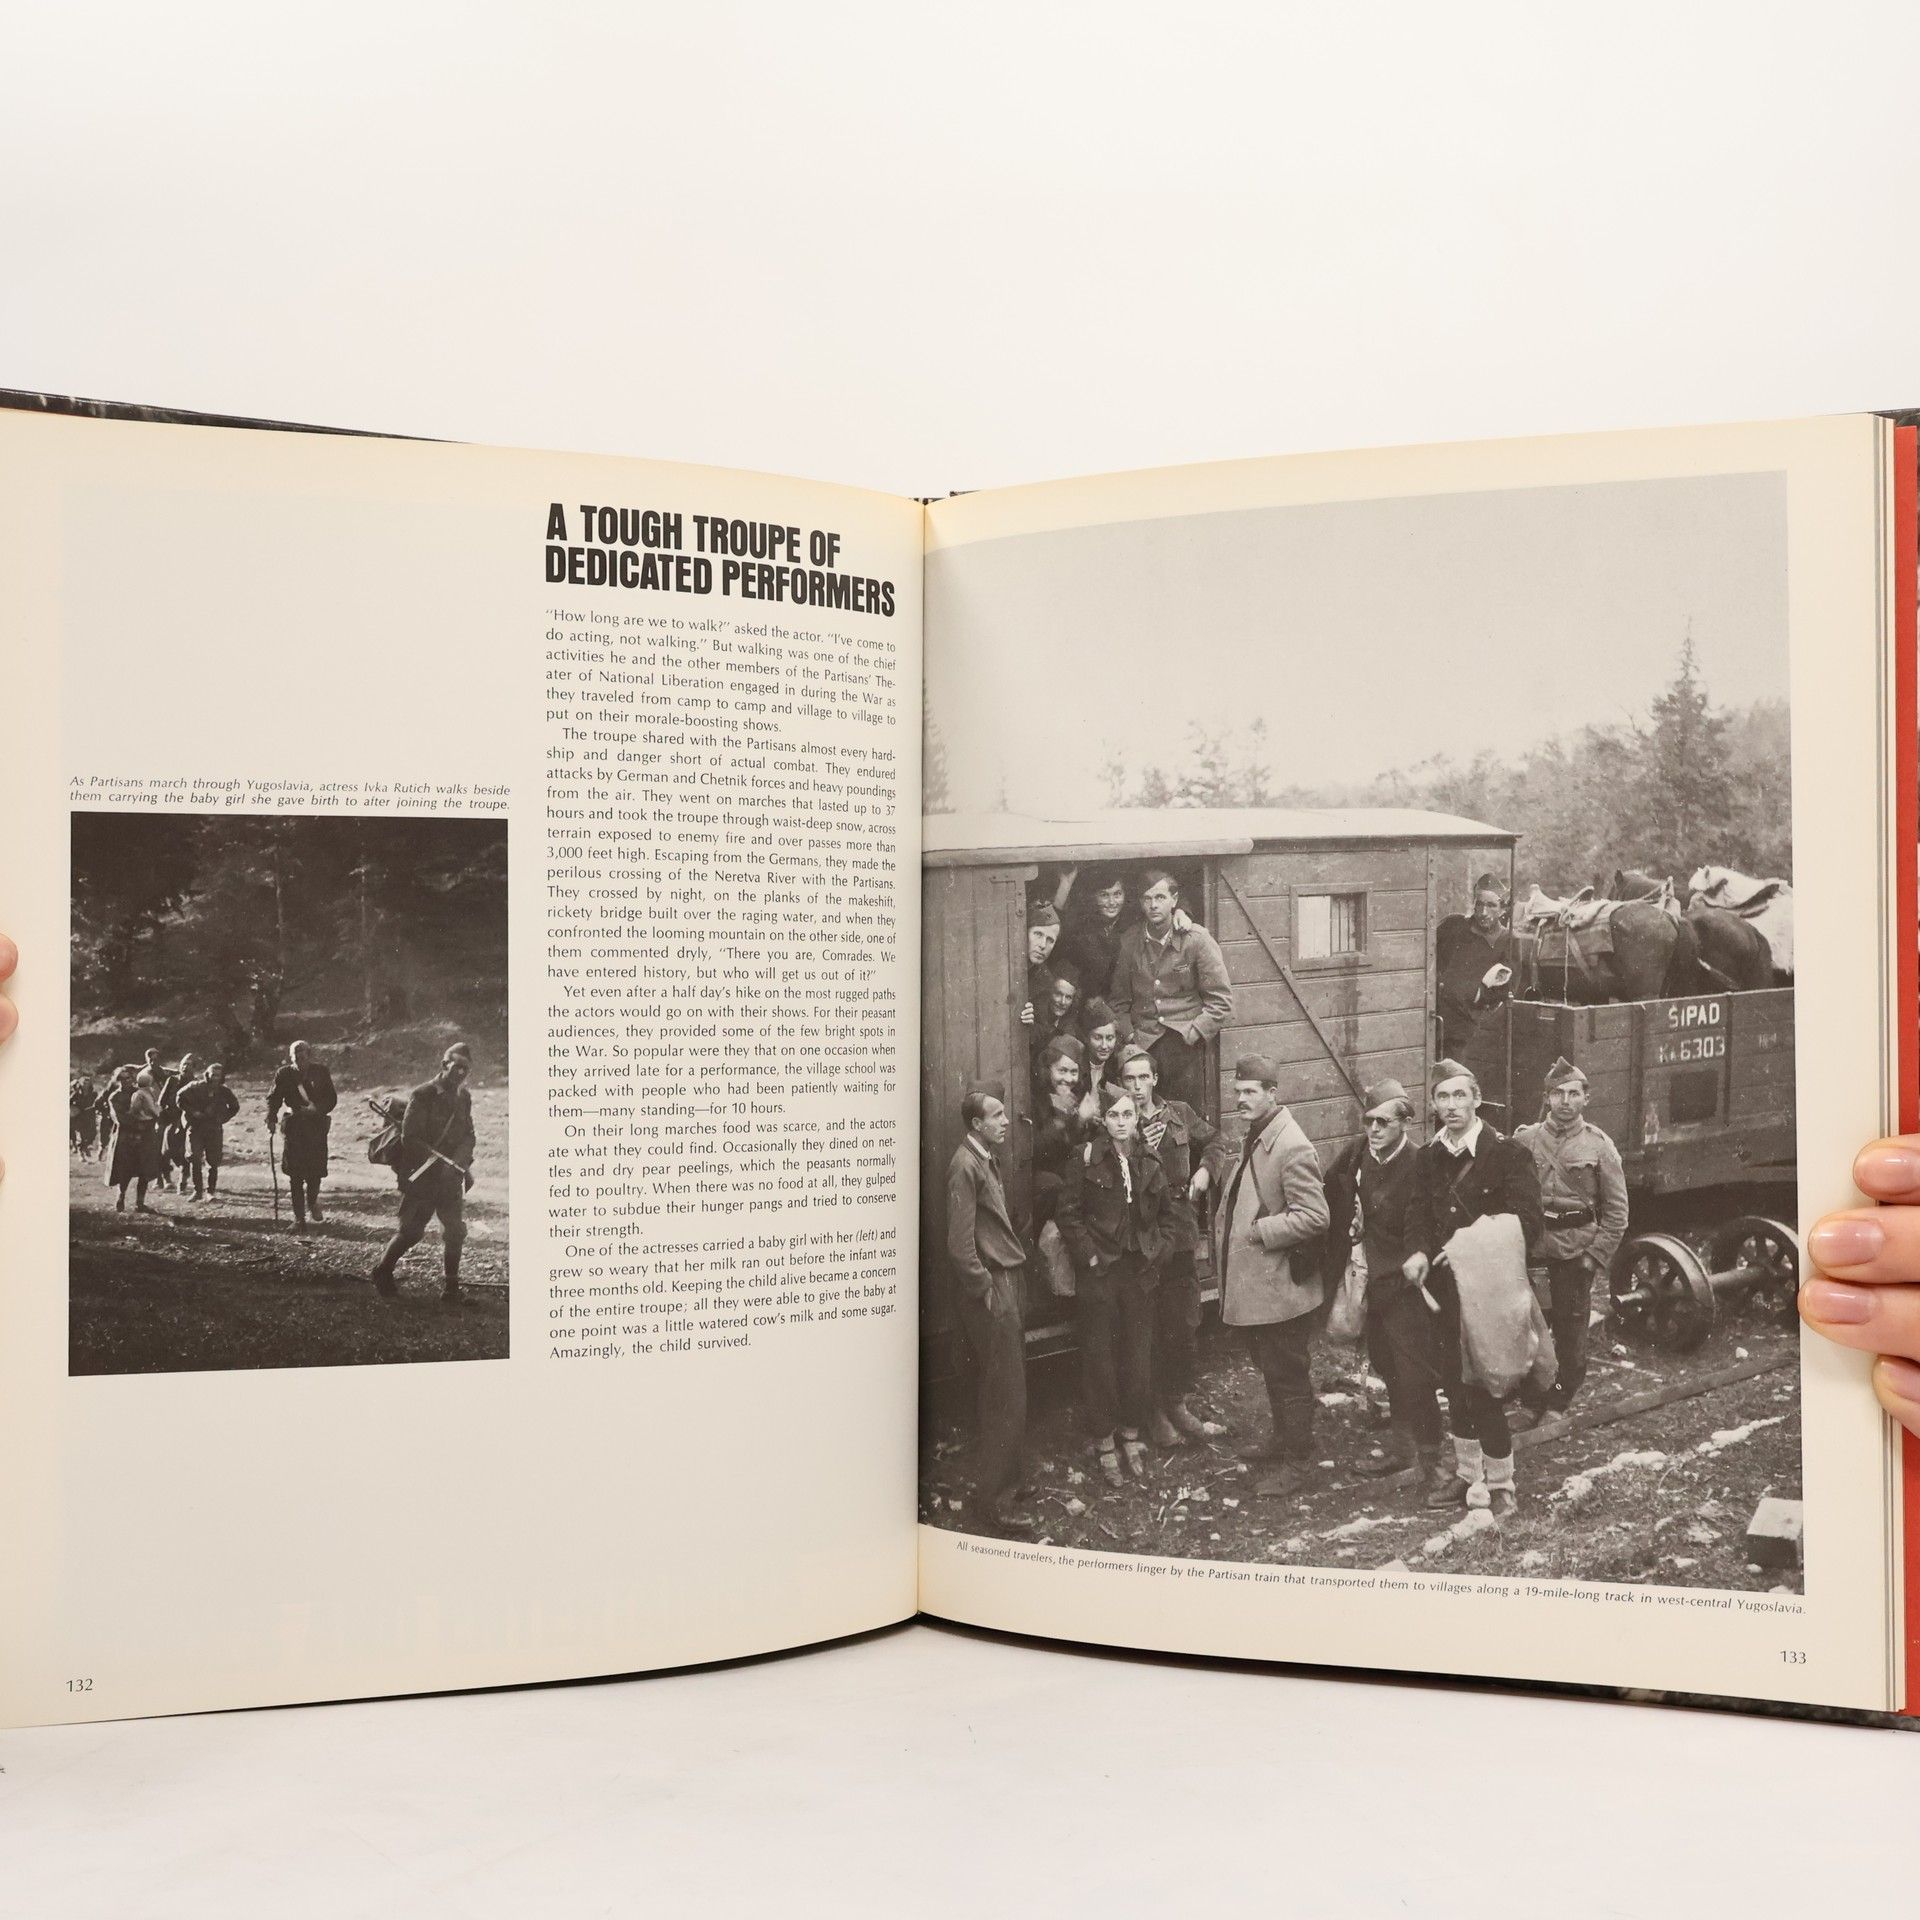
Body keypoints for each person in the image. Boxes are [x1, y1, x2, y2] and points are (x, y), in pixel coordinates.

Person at [1416, 1057, 1544, 1519]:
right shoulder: (1428, 1157)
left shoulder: (1508, 1154)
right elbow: (1418, 1216)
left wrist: (1466, 1248)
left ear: (1476, 1099)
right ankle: (1469, 1475)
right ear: (1433, 1104)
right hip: (1444, 1293)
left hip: (1491, 1289)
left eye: (1459, 1095)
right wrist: (1417, 1252)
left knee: (1486, 1387)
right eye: (1442, 1097)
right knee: (1454, 1383)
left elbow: (1528, 1223)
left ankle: (1502, 1483)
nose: (1451, 1105)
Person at [1200, 1054, 1331, 1496]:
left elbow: (1316, 1216)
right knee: (1272, 1368)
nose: (1241, 1099)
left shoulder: (1290, 1145)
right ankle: (1283, 1439)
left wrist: (1261, 1230)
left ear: (1272, 1094)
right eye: (1237, 1091)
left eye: (1250, 1092)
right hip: (1262, 1288)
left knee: (1288, 1373)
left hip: (1281, 1290)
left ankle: (1300, 1462)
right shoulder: (1258, 1133)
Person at [1322, 1078, 1451, 1497]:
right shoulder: (1358, 1154)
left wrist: (1418, 1256)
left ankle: (1434, 1463)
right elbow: (1331, 1187)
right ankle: (1402, 1448)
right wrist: (1349, 1218)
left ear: (1405, 1122)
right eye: (1369, 1121)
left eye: (1384, 1122)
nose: (1374, 1129)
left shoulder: (1420, 1163)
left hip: (1406, 1283)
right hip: (1370, 1279)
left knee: (1415, 1373)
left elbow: (1431, 1224)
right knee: (1385, 1362)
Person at [1117, 1042, 1226, 1446]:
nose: (1137, 1086)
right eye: (1129, 1079)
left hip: (1179, 1232)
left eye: (1143, 1077)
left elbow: (1215, 1140)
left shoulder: (1178, 1113)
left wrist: (1205, 1171)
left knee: (1182, 1323)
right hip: (1142, 1237)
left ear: (1155, 1079)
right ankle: (1152, 1412)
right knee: (1145, 1327)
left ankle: (1176, 1401)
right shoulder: (1117, 1120)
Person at [1059, 1088, 1169, 1487]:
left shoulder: (1149, 1159)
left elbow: (1167, 1214)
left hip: (1138, 1272)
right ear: (1103, 1120)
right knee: (1099, 1357)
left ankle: (1131, 1433)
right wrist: (1089, 1257)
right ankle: (1104, 1440)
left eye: (1128, 1115)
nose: (1121, 1122)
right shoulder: (1086, 1157)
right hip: (1101, 1273)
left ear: (1137, 1118)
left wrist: (1158, 1252)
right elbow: (1068, 1214)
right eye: (1114, 1116)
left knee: (1137, 1355)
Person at [1510, 1056, 1629, 1427]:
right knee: (1530, 1330)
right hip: (1532, 1251)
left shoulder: (1599, 1146)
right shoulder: (1524, 1140)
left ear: (1586, 1098)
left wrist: (1594, 1256)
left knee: (1570, 1332)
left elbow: (1617, 1212)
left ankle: (1558, 1402)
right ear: (1547, 1097)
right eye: (1558, 1093)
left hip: (1575, 1253)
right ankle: (1531, 1402)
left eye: (1573, 1093)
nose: (1565, 1101)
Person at [943, 1084, 1029, 1525]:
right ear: (977, 1124)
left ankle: (1011, 1478)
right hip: (991, 1287)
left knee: (1008, 1385)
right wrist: (986, 1288)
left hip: (1004, 1281)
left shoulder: (984, 1158)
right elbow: (960, 1247)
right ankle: (992, 1501)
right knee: (1004, 1395)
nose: (1006, 1121)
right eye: (997, 1115)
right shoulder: (965, 1165)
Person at [1108, 870, 1232, 1108]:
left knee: (1184, 1114)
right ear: (1141, 903)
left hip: (1184, 1045)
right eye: (1147, 899)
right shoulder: (1130, 942)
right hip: (1144, 1046)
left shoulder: (1196, 939)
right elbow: (1118, 1001)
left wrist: (1194, 1032)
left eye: (1160, 897)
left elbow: (1221, 1001)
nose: (1153, 905)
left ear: (1174, 900)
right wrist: (1131, 1037)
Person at [370, 1043, 478, 1299]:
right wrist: (441, 1163)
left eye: (465, 1069)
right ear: (444, 1065)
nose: (461, 1073)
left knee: (455, 1231)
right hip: (422, 1176)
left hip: (450, 1177)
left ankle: (451, 1287)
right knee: (411, 1231)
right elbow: (410, 1138)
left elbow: (468, 1135)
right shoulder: (423, 1094)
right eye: (456, 1067)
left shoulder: (464, 1097)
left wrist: (458, 1163)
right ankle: (383, 1270)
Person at [1434, 874, 1516, 1061]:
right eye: (1479, 904)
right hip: (1435, 1019)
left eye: (1491, 905)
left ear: (1503, 909)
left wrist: (1477, 994)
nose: (1483, 912)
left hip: (1468, 1028)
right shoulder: (1453, 926)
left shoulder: (1507, 940)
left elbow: (1509, 987)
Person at [267, 1039, 339, 1228]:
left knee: (315, 1172)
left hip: (316, 1128)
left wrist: (317, 1109)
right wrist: (271, 1118)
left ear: (309, 1055)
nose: (299, 1059)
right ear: (291, 1057)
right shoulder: (284, 1074)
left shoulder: (320, 1072)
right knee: (295, 1174)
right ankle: (299, 1218)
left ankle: (312, 1201)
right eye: (295, 1056)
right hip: (294, 1128)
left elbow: (331, 1098)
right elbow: (274, 1098)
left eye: (302, 1056)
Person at [1056, 866, 1130, 1002]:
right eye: (1104, 895)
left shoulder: (1130, 926)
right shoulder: (1081, 929)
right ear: (1094, 897)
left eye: (1117, 894)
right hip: (1087, 1003)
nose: (1112, 902)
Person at [177, 1061, 240, 1200]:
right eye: (213, 1074)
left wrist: (222, 1118)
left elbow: (235, 1106)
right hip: (196, 1128)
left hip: (213, 1129)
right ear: (207, 1074)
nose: (215, 1078)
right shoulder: (195, 1086)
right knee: (194, 1158)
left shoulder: (224, 1091)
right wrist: (193, 1112)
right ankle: (197, 1191)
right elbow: (179, 1098)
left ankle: (210, 1192)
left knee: (213, 1161)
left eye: (218, 1075)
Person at [105, 1065, 163, 1212]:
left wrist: (150, 1122)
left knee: (145, 1169)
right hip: (126, 1137)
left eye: (128, 1078)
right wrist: (139, 1124)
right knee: (125, 1169)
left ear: (133, 1079)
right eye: (122, 1078)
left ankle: (140, 1203)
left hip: (145, 1136)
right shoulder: (115, 1097)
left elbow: (151, 1109)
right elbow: (119, 1118)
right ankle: (121, 1197)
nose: (126, 1081)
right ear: (118, 1080)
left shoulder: (141, 1092)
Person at [156, 1051, 203, 1192]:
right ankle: (166, 1179)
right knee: (165, 1149)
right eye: (183, 1064)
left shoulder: (197, 1084)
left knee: (185, 1151)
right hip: (169, 1118)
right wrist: (160, 1118)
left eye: (189, 1065)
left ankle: (183, 1180)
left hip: (187, 1120)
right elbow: (161, 1101)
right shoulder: (172, 1080)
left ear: (194, 1068)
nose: (185, 1067)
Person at [1018, 901, 1062, 1034]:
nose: (1043, 945)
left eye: (1050, 940)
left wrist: (1030, 1024)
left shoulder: (1045, 979)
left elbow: (1042, 1031)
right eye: (1038, 934)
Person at [69, 1074, 99, 1158]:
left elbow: (98, 1103)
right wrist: (74, 1109)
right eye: (84, 1083)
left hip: (90, 1117)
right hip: (80, 1117)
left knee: (92, 1134)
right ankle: (80, 1152)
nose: (86, 1085)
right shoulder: (76, 1094)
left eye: (87, 1083)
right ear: (81, 1084)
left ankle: (85, 1147)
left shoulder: (94, 1094)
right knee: (81, 1135)